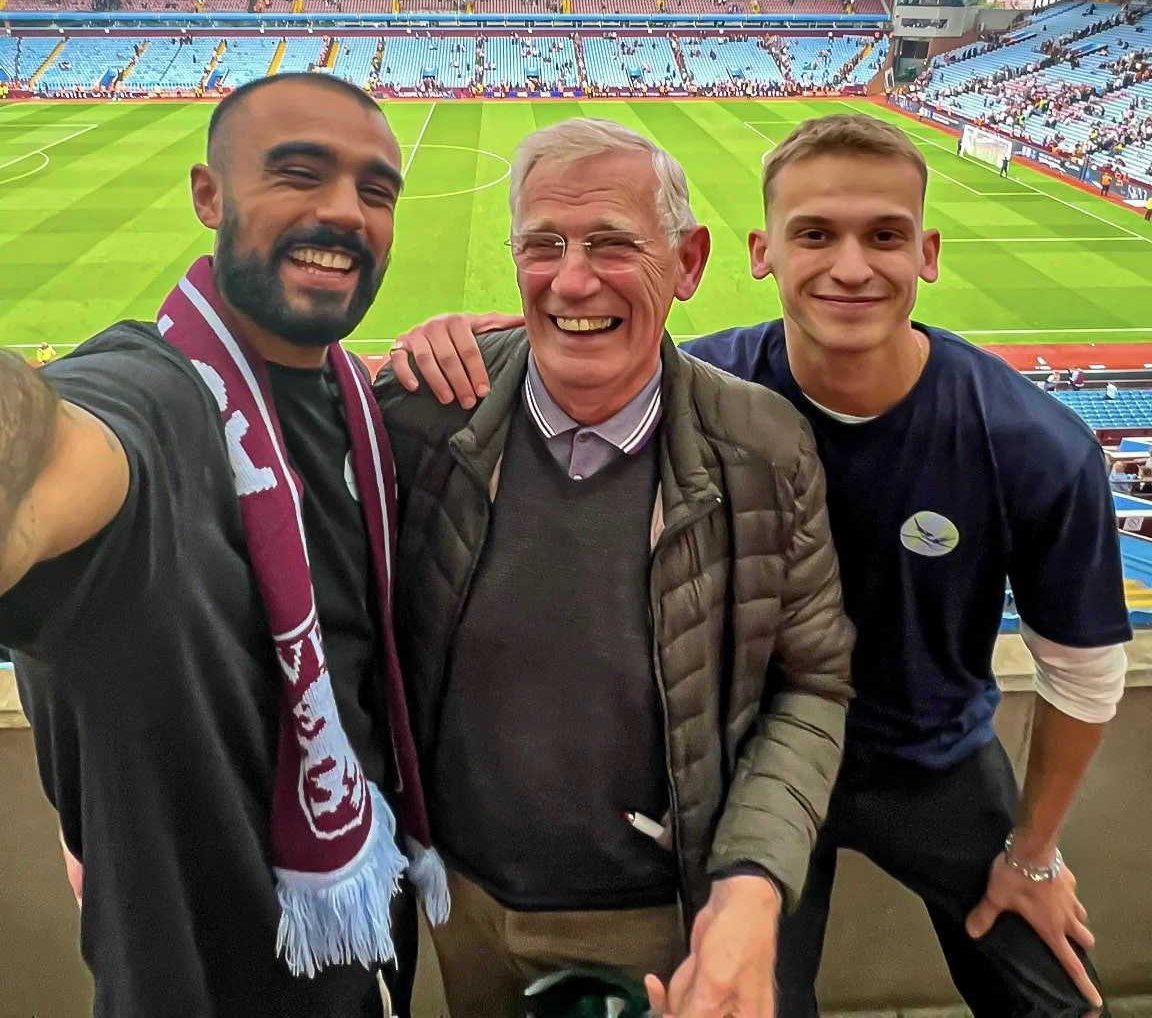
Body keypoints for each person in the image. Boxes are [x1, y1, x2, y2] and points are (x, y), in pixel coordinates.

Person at [388, 112, 1130, 1018]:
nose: (850, 266)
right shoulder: (714, 388)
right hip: (746, 767)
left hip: (930, 759)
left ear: (928, 253)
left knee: (1057, 994)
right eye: (815, 233)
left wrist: (1036, 853)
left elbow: (1085, 675)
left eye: (884, 236)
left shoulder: (1031, 443)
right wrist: (486, 338)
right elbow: (601, 336)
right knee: (755, 1001)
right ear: (760, 251)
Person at [374, 117, 855, 1018]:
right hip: (461, 906)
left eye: (611, 244)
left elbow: (813, 688)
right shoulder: (421, 413)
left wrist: (751, 883)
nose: (572, 279)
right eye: (542, 245)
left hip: (662, 919)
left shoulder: (763, 444)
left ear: (689, 262)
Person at [0, 72, 448, 1018]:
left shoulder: (357, 402)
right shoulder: (154, 397)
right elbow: (49, 447)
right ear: (210, 195)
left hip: (363, 950)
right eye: (298, 173)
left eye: (377, 191)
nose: (344, 213)